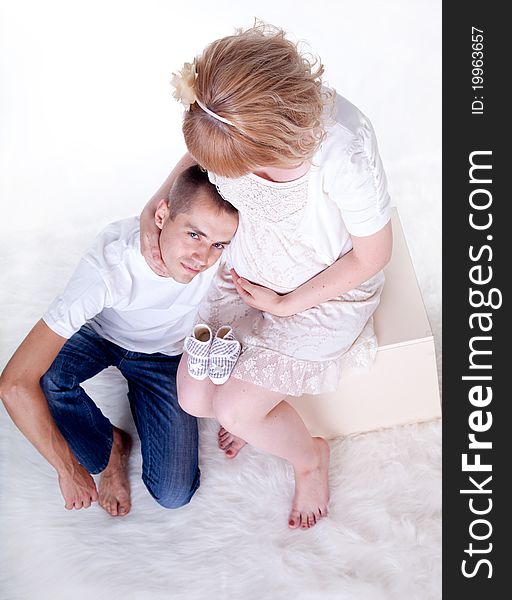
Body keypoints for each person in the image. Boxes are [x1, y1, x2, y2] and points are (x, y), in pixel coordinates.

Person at [140, 23, 393, 530]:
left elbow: (372, 256)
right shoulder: (232, 121)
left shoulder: (340, 150)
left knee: (234, 410)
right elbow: (202, 154)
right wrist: (157, 201)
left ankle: (308, 458)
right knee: (194, 397)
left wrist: (284, 304)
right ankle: (258, 416)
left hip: (320, 291)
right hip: (249, 269)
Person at [0, 166, 239, 516]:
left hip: (165, 354)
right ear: (162, 215)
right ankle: (109, 449)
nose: (202, 258)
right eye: (193, 235)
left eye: (217, 244)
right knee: (48, 378)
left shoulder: (230, 253)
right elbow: (14, 384)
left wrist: (243, 415)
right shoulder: (108, 267)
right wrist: (67, 469)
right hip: (101, 334)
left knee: (174, 494)